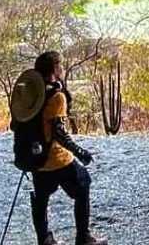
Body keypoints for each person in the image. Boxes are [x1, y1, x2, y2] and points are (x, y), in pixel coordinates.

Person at [30, 51, 107, 245]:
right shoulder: (57, 97)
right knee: (83, 184)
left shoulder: (31, 96)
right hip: (56, 158)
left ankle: (45, 239)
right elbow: (59, 133)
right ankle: (84, 238)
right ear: (54, 69)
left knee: (41, 198)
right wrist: (80, 152)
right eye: (60, 65)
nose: (62, 68)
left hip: (36, 159)